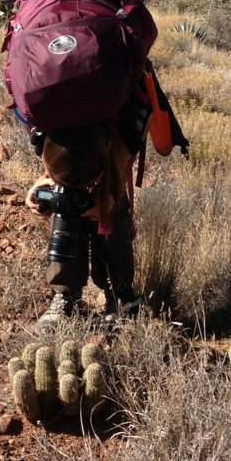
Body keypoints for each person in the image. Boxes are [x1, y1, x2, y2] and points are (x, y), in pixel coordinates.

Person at [25, 119, 144, 332]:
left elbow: (127, 150)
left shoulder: (126, 117)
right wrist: (46, 182)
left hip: (112, 136)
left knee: (109, 209)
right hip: (63, 133)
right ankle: (65, 294)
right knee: (67, 203)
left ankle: (120, 295)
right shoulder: (36, 106)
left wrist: (110, 189)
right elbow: (49, 147)